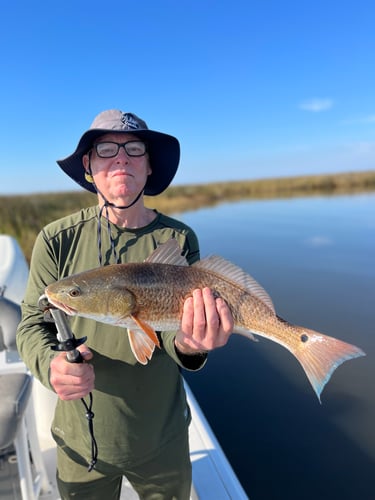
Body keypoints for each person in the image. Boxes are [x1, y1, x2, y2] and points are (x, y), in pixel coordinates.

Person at [16, 109, 234, 500]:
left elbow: (171, 332)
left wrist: (190, 344)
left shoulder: (178, 237)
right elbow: (32, 324)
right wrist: (51, 366)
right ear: (88, 165)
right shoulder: (55, 239)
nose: (121, 158)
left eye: (135, 149)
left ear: (149, 166)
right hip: (80, 442)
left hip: (162, 438)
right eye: (105, 149)